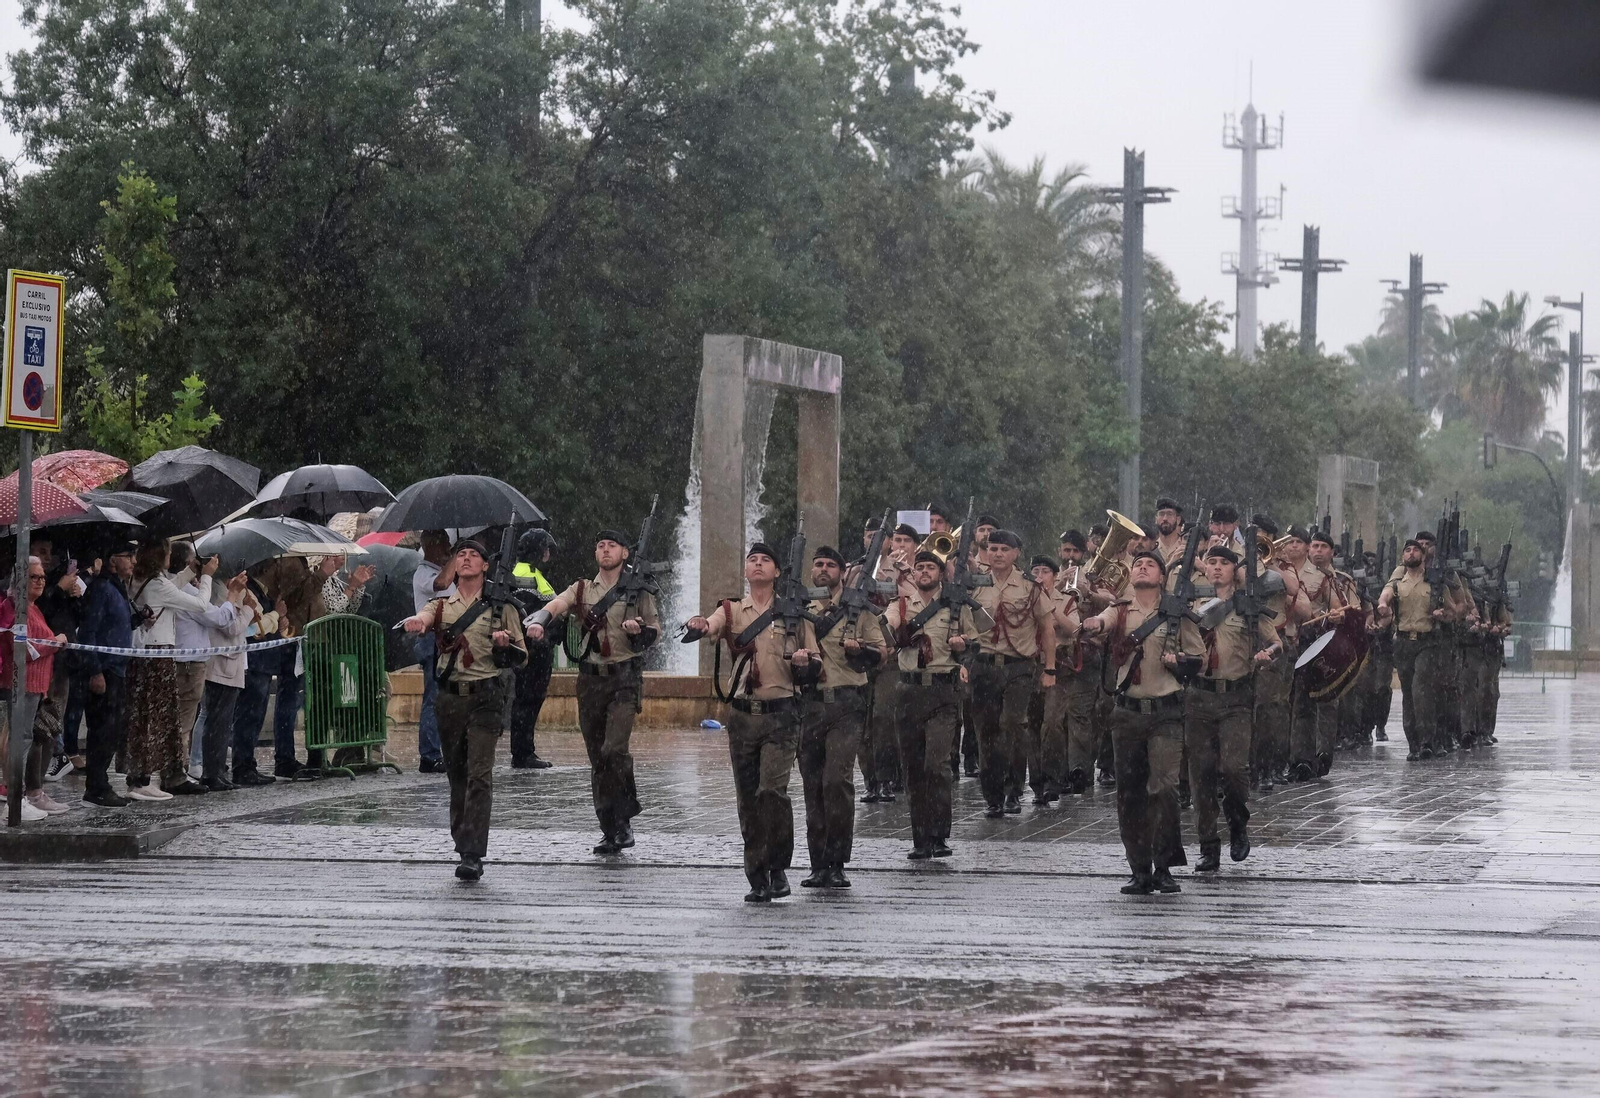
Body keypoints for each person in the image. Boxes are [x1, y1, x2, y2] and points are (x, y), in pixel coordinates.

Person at [684, 542, 821, 903]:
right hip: (743, 717)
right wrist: (700, 623)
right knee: (747, 799)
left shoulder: (795, 613)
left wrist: (806, 661)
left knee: (771, 792)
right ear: (746, 571)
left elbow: (817, 665)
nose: (758, 565)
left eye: (765, 561)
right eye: (752, 560)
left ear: (777, 571)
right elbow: (712, 624)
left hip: (782, 716)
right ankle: (756, 874)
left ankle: (778, 868)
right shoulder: (731, 610)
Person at [525, 527, 660, 854]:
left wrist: (639, 630)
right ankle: (610, 827)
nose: (605, 550)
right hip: (590, 680)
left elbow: (655, 632)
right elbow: (558, 604)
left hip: (624, 678)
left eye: (612, 545)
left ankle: (624, 814)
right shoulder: (583, 588)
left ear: (624, 553)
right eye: (600, 545)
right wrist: (540, 620)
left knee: (614, 749)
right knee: (598, 758)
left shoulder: (638, 589)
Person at [1078, 550, 1204, 895]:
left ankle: (1164, 866)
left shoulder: (1179, 612)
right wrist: (1093, 624)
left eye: (1150, 564)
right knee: (1129, 793)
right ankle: (1139, 868)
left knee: (1163, 788)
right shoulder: (1120, 609)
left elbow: (1199, 660)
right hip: (1127, 713)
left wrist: (1179, 660)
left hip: (1166, 712)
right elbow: (1103, 621)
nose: (1142, 567)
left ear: (1162, 577)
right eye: (1138, 564)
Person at [402, 538, 528, 881]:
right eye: (462, 555)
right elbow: (425, 616)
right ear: (455, 565)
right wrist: (418, 621)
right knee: (457, 774)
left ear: (486, 565)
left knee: (479, 775)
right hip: (450, 700)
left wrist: (505, 645)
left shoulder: (503, 607)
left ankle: (472, 852)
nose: (468, 559)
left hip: (486, 697)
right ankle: (463, 840)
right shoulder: (442, 606)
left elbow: (521, 655)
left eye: (475, 555)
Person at [126, 540, 248, 799]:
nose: (169, 556)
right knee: (157, 718)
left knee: (149, 718)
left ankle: (146, 774)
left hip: (149, 653)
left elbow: (173, 587)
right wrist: (205, 578)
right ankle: (146, 778)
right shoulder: (157, 585)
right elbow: (201, 605)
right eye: (167, 552)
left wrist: (192, 572)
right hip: (158, 653)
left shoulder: (145, 581)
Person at [794, 544, 886, 888]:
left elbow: (882, 654)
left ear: (841, 571)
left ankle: (837, 860)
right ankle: (818, 861)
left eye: (830, 565)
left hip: (847, 704)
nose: (822, 569)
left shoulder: (858, 609)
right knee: (813, 786)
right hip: (810, 706)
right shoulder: (799, 609)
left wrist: (861, 649)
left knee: (837, 780)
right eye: (817, 564)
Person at [1187, 544, 1280, 871]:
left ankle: (1238, 825)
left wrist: (1266, 657)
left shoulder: (1248, 607)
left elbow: (1275, 643)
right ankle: (1208, 845)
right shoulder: (1190, 604)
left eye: (1223, 563)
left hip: (1236, 698)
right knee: (1202, 775)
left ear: (1233, 570)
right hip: (1198, 697)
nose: (1215, 568)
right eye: (1210, 562)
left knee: (1234, 770)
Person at [884, 549, 981, 859]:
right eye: (920, 567)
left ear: (942, 573)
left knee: (937, 765)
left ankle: (939, 834)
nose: (925, 572)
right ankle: (920, 838)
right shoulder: (901, 605)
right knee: (912, 767)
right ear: (913, 574)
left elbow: (976, 643)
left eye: (931, 568)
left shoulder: (957, 605)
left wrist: (962, 644)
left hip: (943, 691)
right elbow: (885, 627)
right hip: (909, 692)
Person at [970, 529, 1057, 818]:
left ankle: (1013, 790)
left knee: (1012, 725)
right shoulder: (974, 583)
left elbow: (1047, 629)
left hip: (1018, 666)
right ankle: (992, 795)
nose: (997, 554)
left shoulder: (1030, 586)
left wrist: (1050, 668)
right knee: (986, 731)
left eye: (1004, 549)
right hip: (983, 666)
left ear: (1016, 553)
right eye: (992, 548)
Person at [1377, 538, 1464, 760]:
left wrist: (1443, 614)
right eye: (1408, 550)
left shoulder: (1436, 583)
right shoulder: (1397, 583)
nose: (1412, 553)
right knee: (1408, 693)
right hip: (1404, 643)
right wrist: (1383, 606)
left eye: (1416, 550)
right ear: (1403, 557)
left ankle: (1428, 740)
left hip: (1428, 643)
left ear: (1423, 556)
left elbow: (1454, 611)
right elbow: (1385, 597)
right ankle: (1414, 743)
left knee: (1421, 689)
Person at [2, 558, 72, 818]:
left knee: (29, 739)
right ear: (20, 580)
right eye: (34, 577)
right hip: (22, 683)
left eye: (42, 576)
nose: (40, 581)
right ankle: (15, 801)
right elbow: (23, 649)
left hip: (36, 684)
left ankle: (29, 795)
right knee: (21, 740)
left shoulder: (33, 607)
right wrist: (55, 642)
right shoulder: (14, 609)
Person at [77, 541, 137, 807]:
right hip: (105, 669)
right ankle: (96, 786)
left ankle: (100, 782)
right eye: (129, 556)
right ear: (113, 560)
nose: (134, 562)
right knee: (102, 730)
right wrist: (95, 671)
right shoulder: (101, 589)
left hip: (117, 668)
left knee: (111, 730)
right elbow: (88, 632)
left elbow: (116, 624)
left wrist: (138, 619)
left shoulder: (118, 589)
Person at [860, 522, 917, 802]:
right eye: (869, 536)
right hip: (858, 650)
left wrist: (897, 570)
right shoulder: (853, 570)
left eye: (880, 537)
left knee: (884, 716)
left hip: (890, 651)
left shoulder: (904, 571)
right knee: (862, 719)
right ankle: (870, 779)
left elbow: (914, 599)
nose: (874, 540)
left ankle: (886, 778)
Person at [198, 575, 257, 791]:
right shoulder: (217, 590)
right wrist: (248, 610)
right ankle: (211, 772)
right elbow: (230, 627)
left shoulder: (230, 589)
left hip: (232, 664)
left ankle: (218, 771)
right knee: (216, 720)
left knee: (223, 723)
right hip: (221, 664)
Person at [509, 527, 557, 769]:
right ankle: (523, 752)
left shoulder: (519, 572)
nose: (548, 553)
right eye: (545, 548)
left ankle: (522, 750)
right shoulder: (530, 576)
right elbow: (541, 612)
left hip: (525, 648)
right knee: (528, 701)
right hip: (534, 649)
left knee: (524, 700)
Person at [409, 530, 456, 774]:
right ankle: (429, 754)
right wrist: (456, 558)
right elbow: (442, 585)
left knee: (446, 697)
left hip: (447, 640)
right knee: (433, 697)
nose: (449, 549)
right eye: (445, 545)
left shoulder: (440, 570)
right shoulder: (425, 573)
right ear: (432, 546)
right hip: (431, 640)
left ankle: (443, 749)